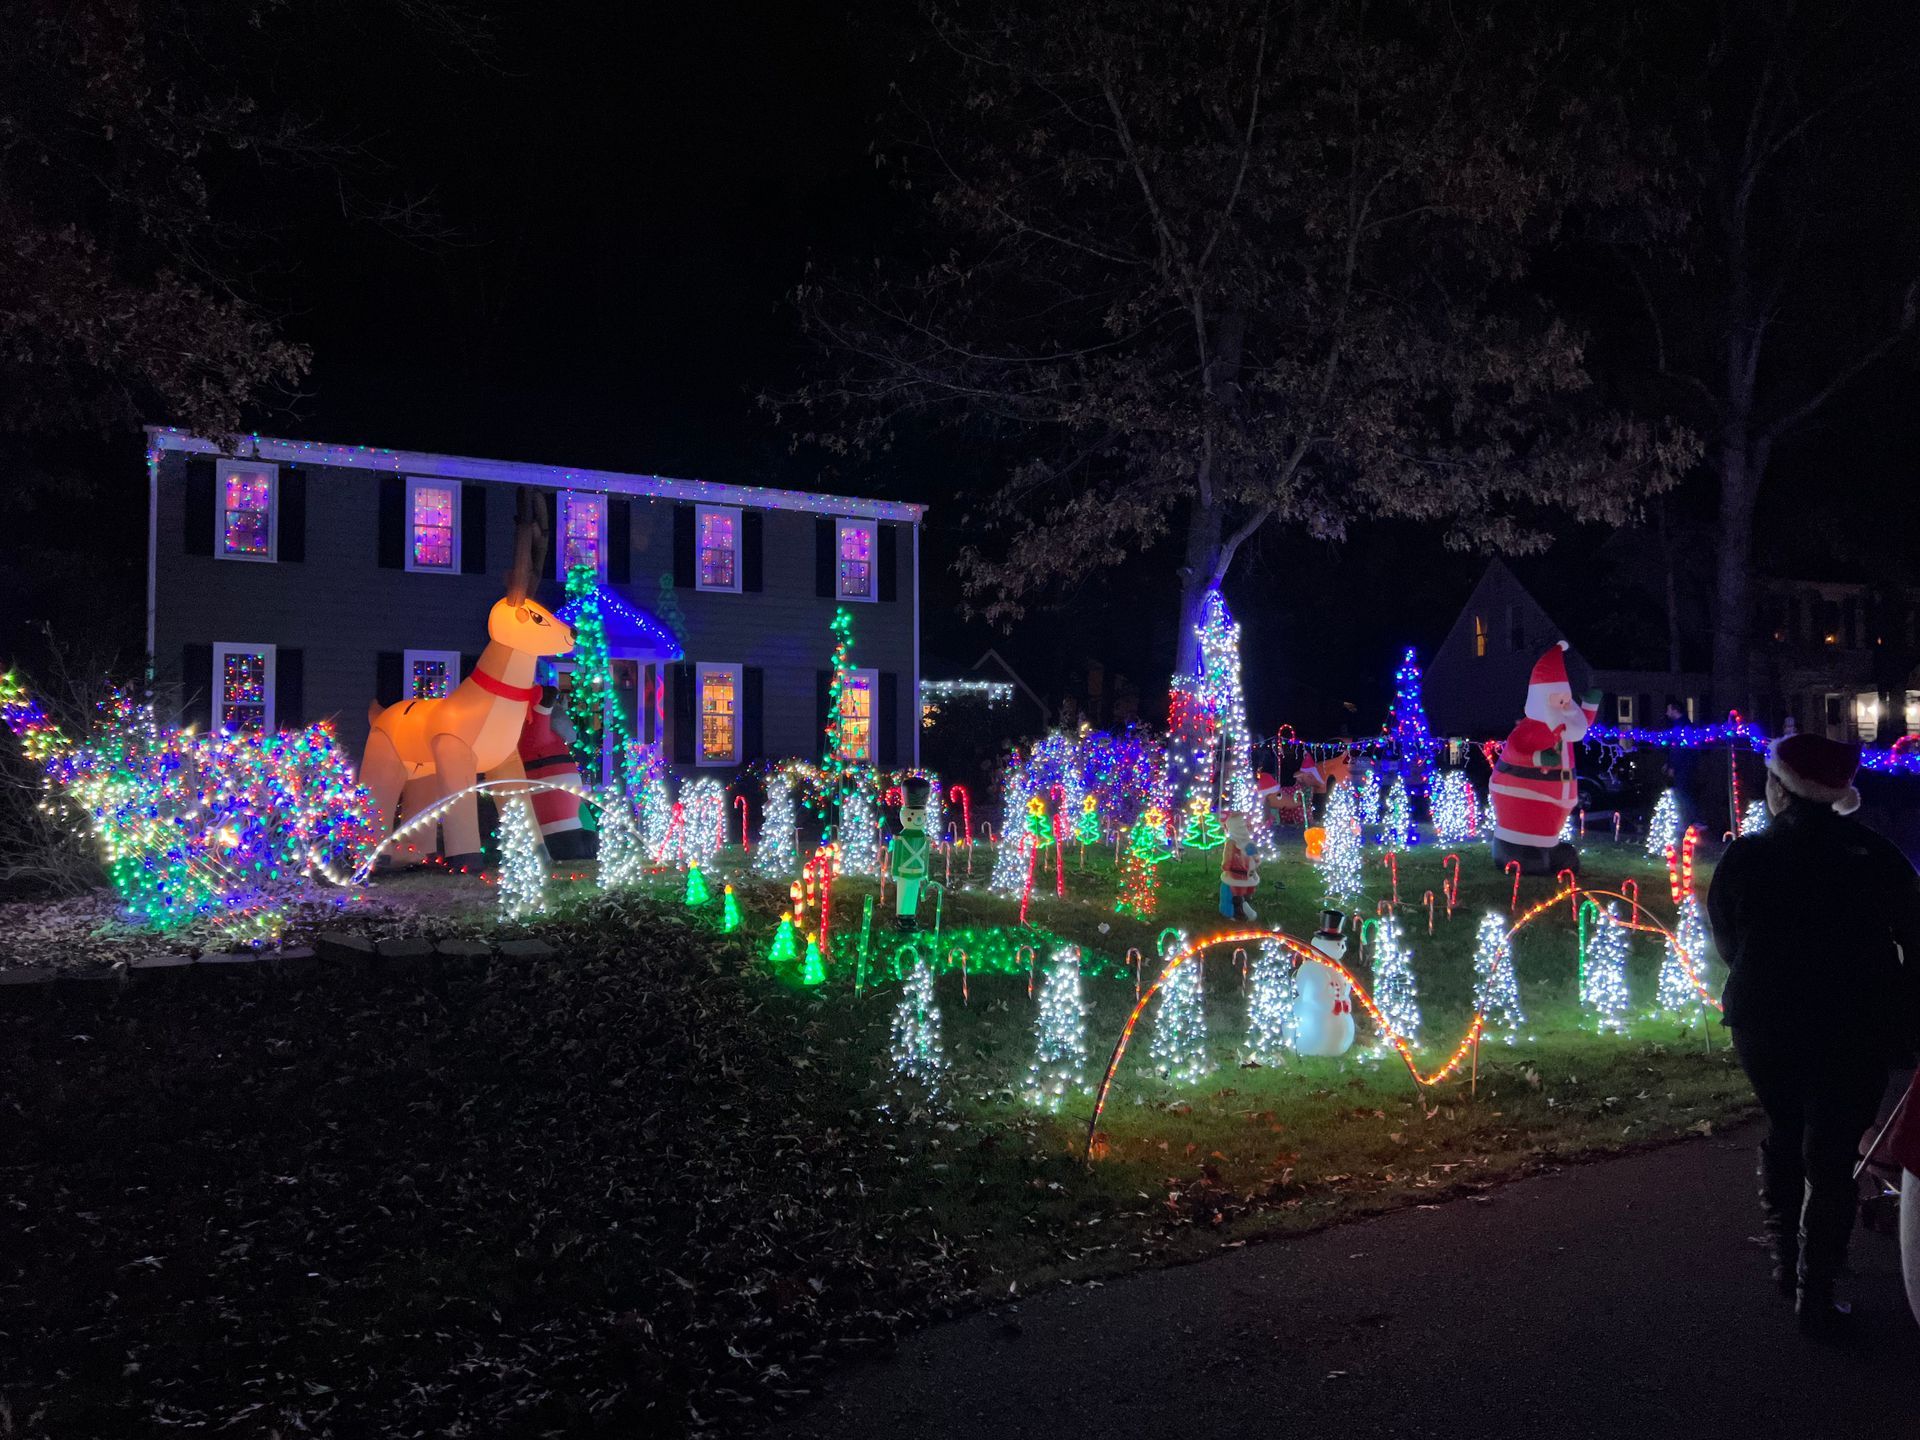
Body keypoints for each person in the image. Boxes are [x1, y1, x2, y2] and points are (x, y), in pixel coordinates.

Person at [1706, 733, 1920, 1337]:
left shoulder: (1747, 857)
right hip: (1855, 1023)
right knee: (1831, 1151)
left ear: (1780, 788)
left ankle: (1784, 1259)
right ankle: (1816, 1287)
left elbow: (1728, 940)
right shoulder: (1877, 857)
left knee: (1784, 1126)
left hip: (1765, 1020)